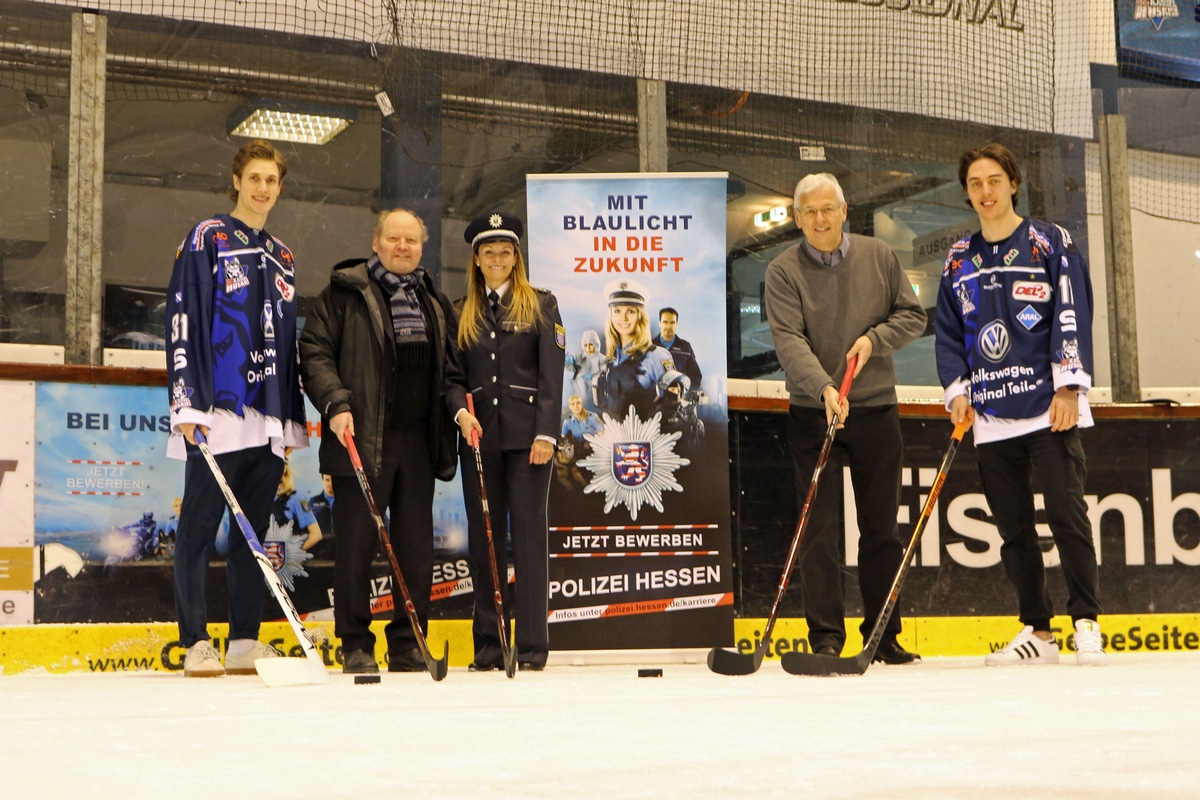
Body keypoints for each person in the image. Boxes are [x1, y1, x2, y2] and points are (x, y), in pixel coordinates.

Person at [935, 143, 1105, 667]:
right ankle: (1038, 630)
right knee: (1012, 530)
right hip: (990, 416)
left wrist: (1068, 386)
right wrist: (958, 391)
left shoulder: (1049, 240)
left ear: (1013, 183)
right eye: (975, 184)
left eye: (993, 180)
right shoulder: (958, 258)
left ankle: (1086, 622)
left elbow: (1072, 310)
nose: (985, 192)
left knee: (1066, 515)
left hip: (1047, 407)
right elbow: (947, 332)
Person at [763, 171, 926, 664]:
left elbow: (912, 316)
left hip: (875, 407)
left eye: (826, 209)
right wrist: (826, 388)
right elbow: (789, 340)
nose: (819, 219)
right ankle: (826, 637)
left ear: (843, 211)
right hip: (815, 413)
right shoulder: (782, 271)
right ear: (796, 219)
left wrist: (874, 340)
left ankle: (883, 635)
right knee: (820, 528)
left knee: (881, 528)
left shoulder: (880, 257)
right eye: (808, 211)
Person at [166, 138, 309, 678]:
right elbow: (184, 317)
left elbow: (287, 342)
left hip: (266, 419)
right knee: (200, 526)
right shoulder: (207, 238)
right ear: (236, 181)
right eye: (254, 177)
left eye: (272, 180)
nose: (262, 188)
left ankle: (244, 641)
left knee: (254, 534)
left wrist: (288, 419)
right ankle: (196, 640)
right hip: (215, 414)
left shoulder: (284, 254)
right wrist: (186, 402)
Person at [299, 208, 458, 675]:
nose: (402, 247)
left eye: (411, 240)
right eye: (394, 239)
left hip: (417, 442)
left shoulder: (434, 300)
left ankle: (408, 642)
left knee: (414, 547)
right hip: (362, 439)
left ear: (421, 246)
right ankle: (355, 642)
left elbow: (448, 368)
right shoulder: (344, 294)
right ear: (376, 242)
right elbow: (314, 352)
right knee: (356, 545)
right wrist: (336, 402)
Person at [447, 211, 566, 671]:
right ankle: (491, 647)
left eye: (505, 251)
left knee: (531, 541)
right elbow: (452, 377)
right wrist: (460, 413)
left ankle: (533, 647)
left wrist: (546, 434)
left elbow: (551, 375)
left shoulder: (541, 304)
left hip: (528, 441)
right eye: (488, 251)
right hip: (479, 441)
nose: (497, 258)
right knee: (486, 543)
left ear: (516, 257)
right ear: (476, 259)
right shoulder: (460, 311)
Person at [595, 280, 675, 421]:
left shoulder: (657, 356)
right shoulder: (609, 360)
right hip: (613, 438)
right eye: (617, 311)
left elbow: (673, 406)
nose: (623, 318)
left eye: (631, 311)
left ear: (640, 316)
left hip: (650, 439)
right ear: (611, 315)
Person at [270, 462, 322, 551]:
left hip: (285, 559)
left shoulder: (298, 498)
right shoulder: (261, 498)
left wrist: (294, 555)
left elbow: (316, 534)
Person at [557, 394, 602, 489]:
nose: (576, 406)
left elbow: (602, 432)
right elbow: (563, 437)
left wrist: (590, 441)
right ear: (570, 406)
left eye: (578, 403)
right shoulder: (567, 421)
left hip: (595, 447)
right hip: (578, 448)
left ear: (582, 404)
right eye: (573, 404)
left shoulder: (592, 417)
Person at [653, 307, 702, 391]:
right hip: (654, 399)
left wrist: (683, 391)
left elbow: (696, 377)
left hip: (678, 399)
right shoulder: (650, 346)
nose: (668, 326)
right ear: (659, 323)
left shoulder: (686, 348)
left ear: (676, 324)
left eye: (672, 322)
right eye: (665, 322)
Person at [564, 330, 608, 412]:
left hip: (597, 393)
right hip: (582, 394)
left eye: (590, 344)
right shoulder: (581, 358)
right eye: (585, 345)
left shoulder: (601, 358)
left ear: (596, 344)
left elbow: (605, 369)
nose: (588, 347)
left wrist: (594, 376)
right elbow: (572, 365)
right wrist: (567, 359)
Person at [308, 474, 336, 561]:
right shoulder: (313, 502)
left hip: (340, 546)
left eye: (332, 480)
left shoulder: (345, 501)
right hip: (319, 548)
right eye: (327, 480)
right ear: (322, 481)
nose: (330, 483)